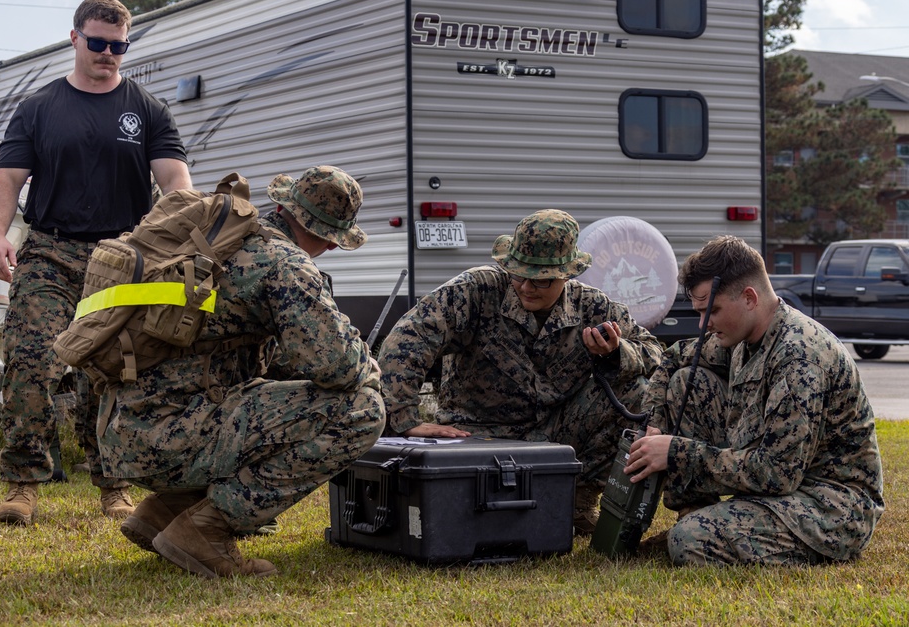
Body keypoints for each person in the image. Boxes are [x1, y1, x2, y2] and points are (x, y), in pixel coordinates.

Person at [98, 165, 385, 578]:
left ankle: (164, 512)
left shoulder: (225, 241)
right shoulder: (285, 265)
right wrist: (367, 366)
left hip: (126, 430)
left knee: (265, 397)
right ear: (330, 237)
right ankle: (207, 528)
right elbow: (338, 367)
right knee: (363, 409)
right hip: (171, 437)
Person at [0, 0, 192, 526]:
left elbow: (174, 180)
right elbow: (7, 180)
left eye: (118, 46)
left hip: (121, 258)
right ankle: (23, 484)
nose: (108, 54)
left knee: (112, 372)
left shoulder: (147, 109)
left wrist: (176, 236)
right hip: (50, 252)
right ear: (75, 38)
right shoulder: (38, 108)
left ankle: (114, 487)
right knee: (32, 360)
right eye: (98, 43)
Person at [378, 209, 664, 533]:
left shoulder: (593, 307)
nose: (526, 286)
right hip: (477, 435)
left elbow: (654, 353)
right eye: (517, 274)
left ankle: (576, 506)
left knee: (635, 392)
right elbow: (409, 337)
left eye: (541, 279)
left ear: (567, 275)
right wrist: (404, 418)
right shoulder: (477, 290)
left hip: (556, 432)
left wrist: (615, 353)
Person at [625, 235, 884, 565]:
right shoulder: (741, 336)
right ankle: (698, 516)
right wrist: (655, 420)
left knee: (689, 542)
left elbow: (778, 473)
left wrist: (676, 452)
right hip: (787, 483)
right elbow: (676, 357)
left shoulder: (798, 357)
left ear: (749, 298)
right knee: (687, 382)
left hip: (831, 505)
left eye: (713, 310)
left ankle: (701, 530)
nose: (704, 324)